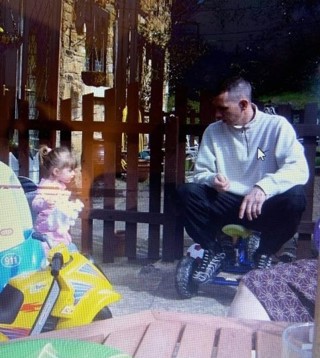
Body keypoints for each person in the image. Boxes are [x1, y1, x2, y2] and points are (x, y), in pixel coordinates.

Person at [177, 76, 309, 284]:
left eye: (223, 108)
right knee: (186, 192)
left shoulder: (276, 127)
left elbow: (299, 169)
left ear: (244, 104)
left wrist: (263, 187)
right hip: (227, 203)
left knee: (296, 197)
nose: (217, 114)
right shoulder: (213, 131)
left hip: (263, 207)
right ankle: (215, 251)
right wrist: (213, 179)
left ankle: (264, 253)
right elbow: (200, 174)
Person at [32, 145, 82, 254]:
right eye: (70, 170)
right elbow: (35, 204)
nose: (73, 174)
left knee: (66, 247)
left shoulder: (60, 185)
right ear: (56, 171)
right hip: (47, 229)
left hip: (57, 228)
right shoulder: (46, 185)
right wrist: (45, 203)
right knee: (51, 251)